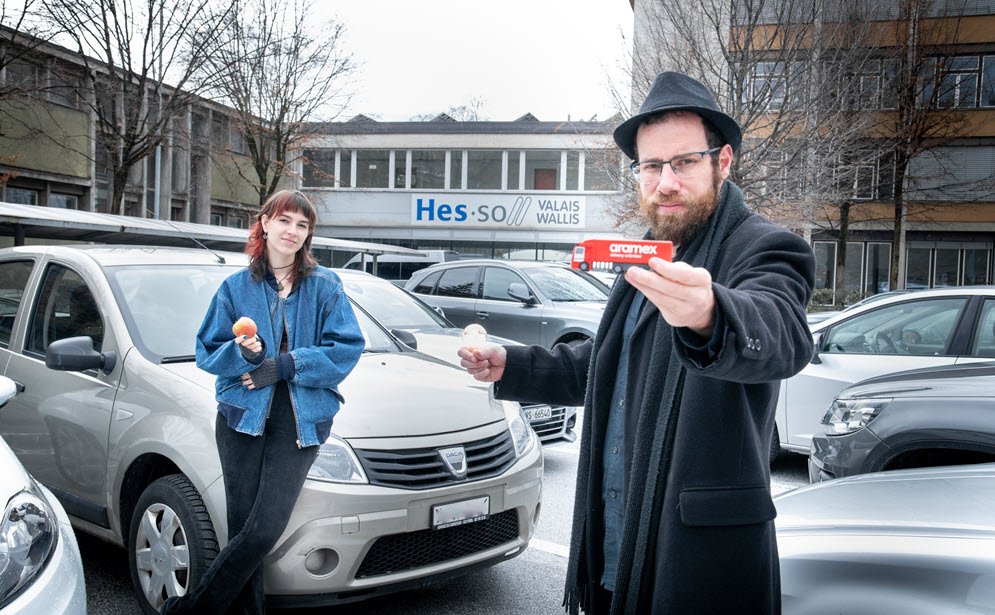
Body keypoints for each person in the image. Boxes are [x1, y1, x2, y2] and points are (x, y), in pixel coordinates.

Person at [459, 72, 815, 614]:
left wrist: (711, 314)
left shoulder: (764, 246)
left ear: (723, 162)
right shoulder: (648, 251)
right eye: (651, 166)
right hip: (613, 539)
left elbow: (783, 335)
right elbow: (606, 364)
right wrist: (513, 364)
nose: (665, 182)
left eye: (685, 162)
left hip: (697, 553)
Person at [162, 190, 365, 615]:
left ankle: (189, 611)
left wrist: (283, 365)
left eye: (303, 225)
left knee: (263, 529)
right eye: (285, 220)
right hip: (240, 418)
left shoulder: (326, 285)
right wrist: (248, 355)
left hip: (301, 421)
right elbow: (208, 352)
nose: (293, 231)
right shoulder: (235, 288)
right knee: (242, 530)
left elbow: (346, 349)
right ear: (265, 223)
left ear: (308, 234)